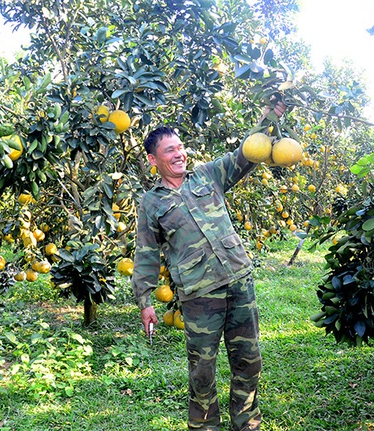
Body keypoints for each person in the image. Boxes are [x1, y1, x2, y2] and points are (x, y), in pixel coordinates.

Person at [131, 101, 287, 431]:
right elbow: (146, 253)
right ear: (153, 160)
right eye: (169, 150)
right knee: (202, 372)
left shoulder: (207, 176)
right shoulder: (151, 203)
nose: (178, 154)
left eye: (180, 147)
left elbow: (245, 155)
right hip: (199, 296)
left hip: (239, 282)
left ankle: (246, 423)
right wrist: (145, 301)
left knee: (249, 362)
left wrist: (267, 119)